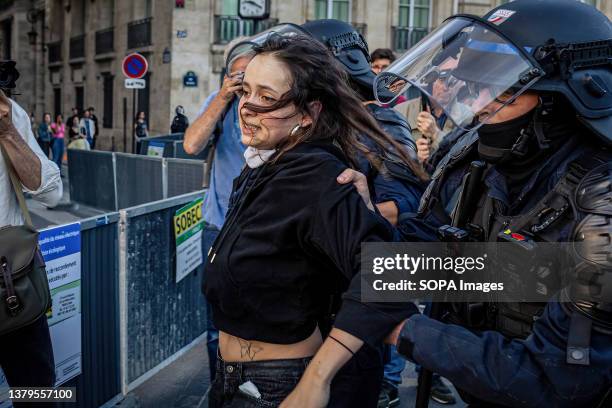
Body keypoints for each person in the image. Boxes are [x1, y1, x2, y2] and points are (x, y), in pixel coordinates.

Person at [347, 1, 612, 406]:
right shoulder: (489, 161)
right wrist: (361, 228)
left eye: (502, 87)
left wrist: (403, 329)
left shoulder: (602, 195)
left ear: (561, 97)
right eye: (475, 82)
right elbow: (468, 258)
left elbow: (560, 379)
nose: (479, 101)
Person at [203, 34, 418, 408]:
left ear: (308, 113)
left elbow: (387, 274)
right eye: (245, 91)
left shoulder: (319, 175)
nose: (248, 108)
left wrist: (317, 379)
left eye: (267, 97)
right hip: (236, 380)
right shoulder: (264, 164)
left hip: (279, 386)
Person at [299, 19, 429, 408]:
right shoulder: (311, 122)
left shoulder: (380, 119)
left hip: (351, 302)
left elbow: (408, 204)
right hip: (306, 303)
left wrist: (360, 210)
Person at [183, 36, 251, 382]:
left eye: (251, 75)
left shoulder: (273, 106)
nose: (244, 84)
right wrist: (224, 97)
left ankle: (254, 389)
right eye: (238, 77)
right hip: (218, 229)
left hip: (258, 233)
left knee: (256, 321)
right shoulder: (220, 102)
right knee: (216, 328)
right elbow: (192, 144)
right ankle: (221, 391)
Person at [0, 90, 61, 393]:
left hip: (12, 284)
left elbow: (51, 193)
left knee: (36, 393)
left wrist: (7, 131)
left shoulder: (8, 113)